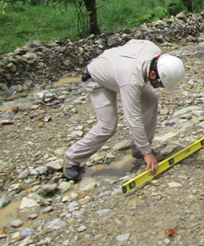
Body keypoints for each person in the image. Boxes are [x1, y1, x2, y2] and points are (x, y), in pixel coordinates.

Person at [63, 40, 185, 181]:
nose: (161, 87)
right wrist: (148, 153)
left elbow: (132, 43)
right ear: (152, 75)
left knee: (150, 99)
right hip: (97, 80)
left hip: (117, 73)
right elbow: (133, 119)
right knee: (107, 126)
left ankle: (138, 150)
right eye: (160, 84)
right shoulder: (131, 82)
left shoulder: (152, 49)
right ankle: (72, 159)